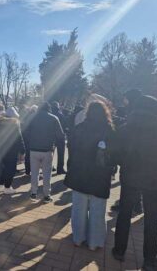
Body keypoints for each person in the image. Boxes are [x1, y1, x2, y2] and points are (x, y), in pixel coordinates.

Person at [112, 95, 157, 270]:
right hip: (155, 181)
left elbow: (116, 155)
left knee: (124, 214)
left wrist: (126, 164)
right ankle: (149, 259)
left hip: (129, 178)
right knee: (151, 220)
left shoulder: (125, 129)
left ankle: (119, 250)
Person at [64, 102, 115, 251]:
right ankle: (95, 242)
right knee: (98, 210)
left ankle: (78, 238)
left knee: (78, 209)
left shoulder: (79, 128)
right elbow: (114, 155)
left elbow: (71, 151)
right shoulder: (109, 130)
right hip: (100, 176)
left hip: (79, 174)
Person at [27, 102, 64, 203]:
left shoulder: (32, 117)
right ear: (49, 108)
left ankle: (33, 193)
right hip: (47, 150)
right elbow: (60, 135)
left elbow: (26, 132)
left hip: (34, 149)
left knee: (34, 172)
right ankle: (47, 195)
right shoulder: (54, 118)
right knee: (47, 173)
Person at [0, 107, 25, 194]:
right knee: (11, 169)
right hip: (12, 149)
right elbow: (19, 138)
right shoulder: (14, 124)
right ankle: (7, 187)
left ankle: (0, 185)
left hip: (2, 148)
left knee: (4, 168)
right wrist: (23, 150)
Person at [51, 102, 67, 175]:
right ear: (58, 107)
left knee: (50, 153)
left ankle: (50, 167)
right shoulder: (60, 115)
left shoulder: (50, 114)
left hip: (51, 136)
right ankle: (60, 169)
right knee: (61, 154)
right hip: (60, 136)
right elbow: (64, 125)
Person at [22, 105, 38, 176]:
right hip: (33, 139)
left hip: (26, 138)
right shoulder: (35, 117)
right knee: (34, 156)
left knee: (28, 155)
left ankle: (27, 171)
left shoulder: (26, 116)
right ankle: (34, 171)